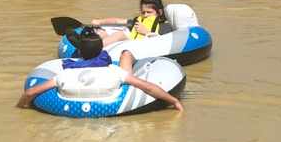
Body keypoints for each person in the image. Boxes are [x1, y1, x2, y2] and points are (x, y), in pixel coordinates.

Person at [17, 29, 183, 111]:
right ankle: (128, 56)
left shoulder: (64, 75)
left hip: (71, 99)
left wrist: (22, 107)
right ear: (102, 51)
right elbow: (149, 87)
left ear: (80, 53)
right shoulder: (115, 72)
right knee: (126, 55)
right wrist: (174, 101)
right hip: (113, 100)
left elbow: (31, 92)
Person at [90, 0, 174, 47]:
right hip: (129, 38)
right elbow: (117, 21)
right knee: (103, 32)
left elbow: (164, 42)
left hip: (138, 44)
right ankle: (88, 46)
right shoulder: (138, 21)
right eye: (143, 12)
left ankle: (94, 50)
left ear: (159, 12)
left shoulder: (164, 27)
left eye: (149, 12)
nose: (145, 15)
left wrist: (146, 32)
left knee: (119, 34)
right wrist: (99, 22)